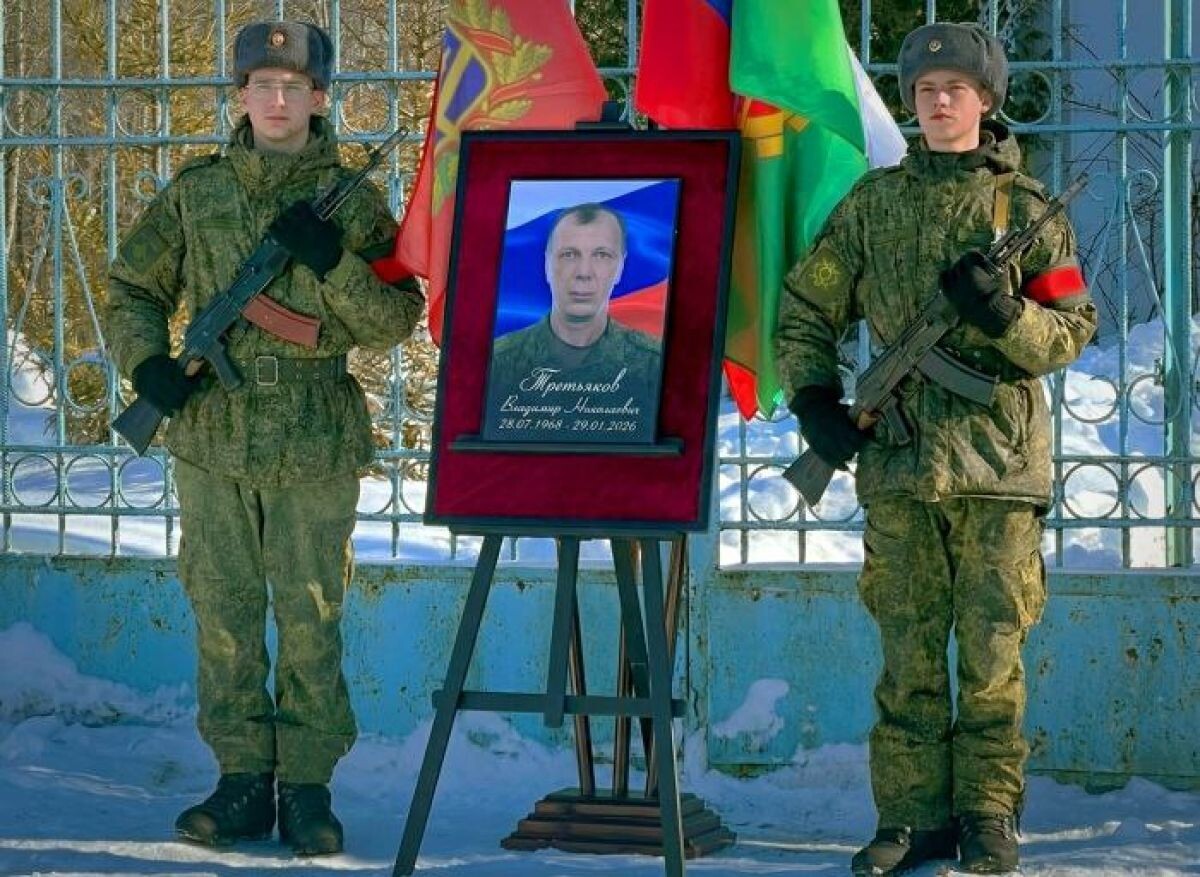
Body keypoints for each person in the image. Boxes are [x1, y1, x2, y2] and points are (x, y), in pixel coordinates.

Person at [774, 22, 1095, 876]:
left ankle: (988, 813)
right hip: (900, 467)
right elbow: (805, 308)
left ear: (986, 100)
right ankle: (911, 817)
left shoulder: (1028, 211)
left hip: (998, 472)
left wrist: (1005, 316)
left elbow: (1072, 330)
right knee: (908, 662)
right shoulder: (873, 206)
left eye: (956, 88)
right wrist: (814, 399)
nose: (939, 101)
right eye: (924, 89)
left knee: (991, 663)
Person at [104, 20, 424, 856]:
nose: (277, 99)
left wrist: (333, 263)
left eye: (293, 85)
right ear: (241, 95)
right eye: (261, 84)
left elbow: (395, 319)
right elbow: (133, 286)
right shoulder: (198, 192)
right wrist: (147, 365)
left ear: (319, 97)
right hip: (214, 433)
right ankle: (242, 779)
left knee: (312, 614)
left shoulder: (353, 202)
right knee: (224, 611)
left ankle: (307, 787)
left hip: (314, 437)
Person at [482, 203, 662, 440]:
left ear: (620, 267)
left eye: (601, 255)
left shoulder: (656, 364)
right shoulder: (495, 362)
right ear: (547, 265)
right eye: (569, 255)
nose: (584, 272)